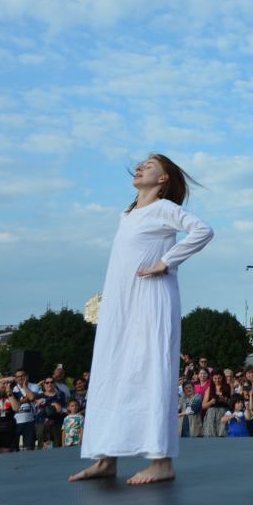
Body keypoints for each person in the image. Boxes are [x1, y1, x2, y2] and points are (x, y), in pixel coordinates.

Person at [71, 154, 214, 486]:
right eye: (141, 165)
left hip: (151, 300)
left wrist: (166, 261)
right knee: (111, 372)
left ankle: (161, 461)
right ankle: (106, 457)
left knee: (150, 372)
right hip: (121, 307)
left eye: (149, 166)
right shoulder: (127, 214)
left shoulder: (163, 208)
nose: (140, 168)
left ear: (163, 179)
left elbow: (202, 231)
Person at [201, 370, 233, 438]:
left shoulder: (229, 387)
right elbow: (203, 406)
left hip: (224, 414)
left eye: (219, 378)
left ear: (223, 377)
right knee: (210, 436)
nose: (217, 380)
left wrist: (225, 400)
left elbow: (233, 403)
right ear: (212, 378)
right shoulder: (209, 388)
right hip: (211, 415)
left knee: (224, 435)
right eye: (215, 378)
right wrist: (211, 402)